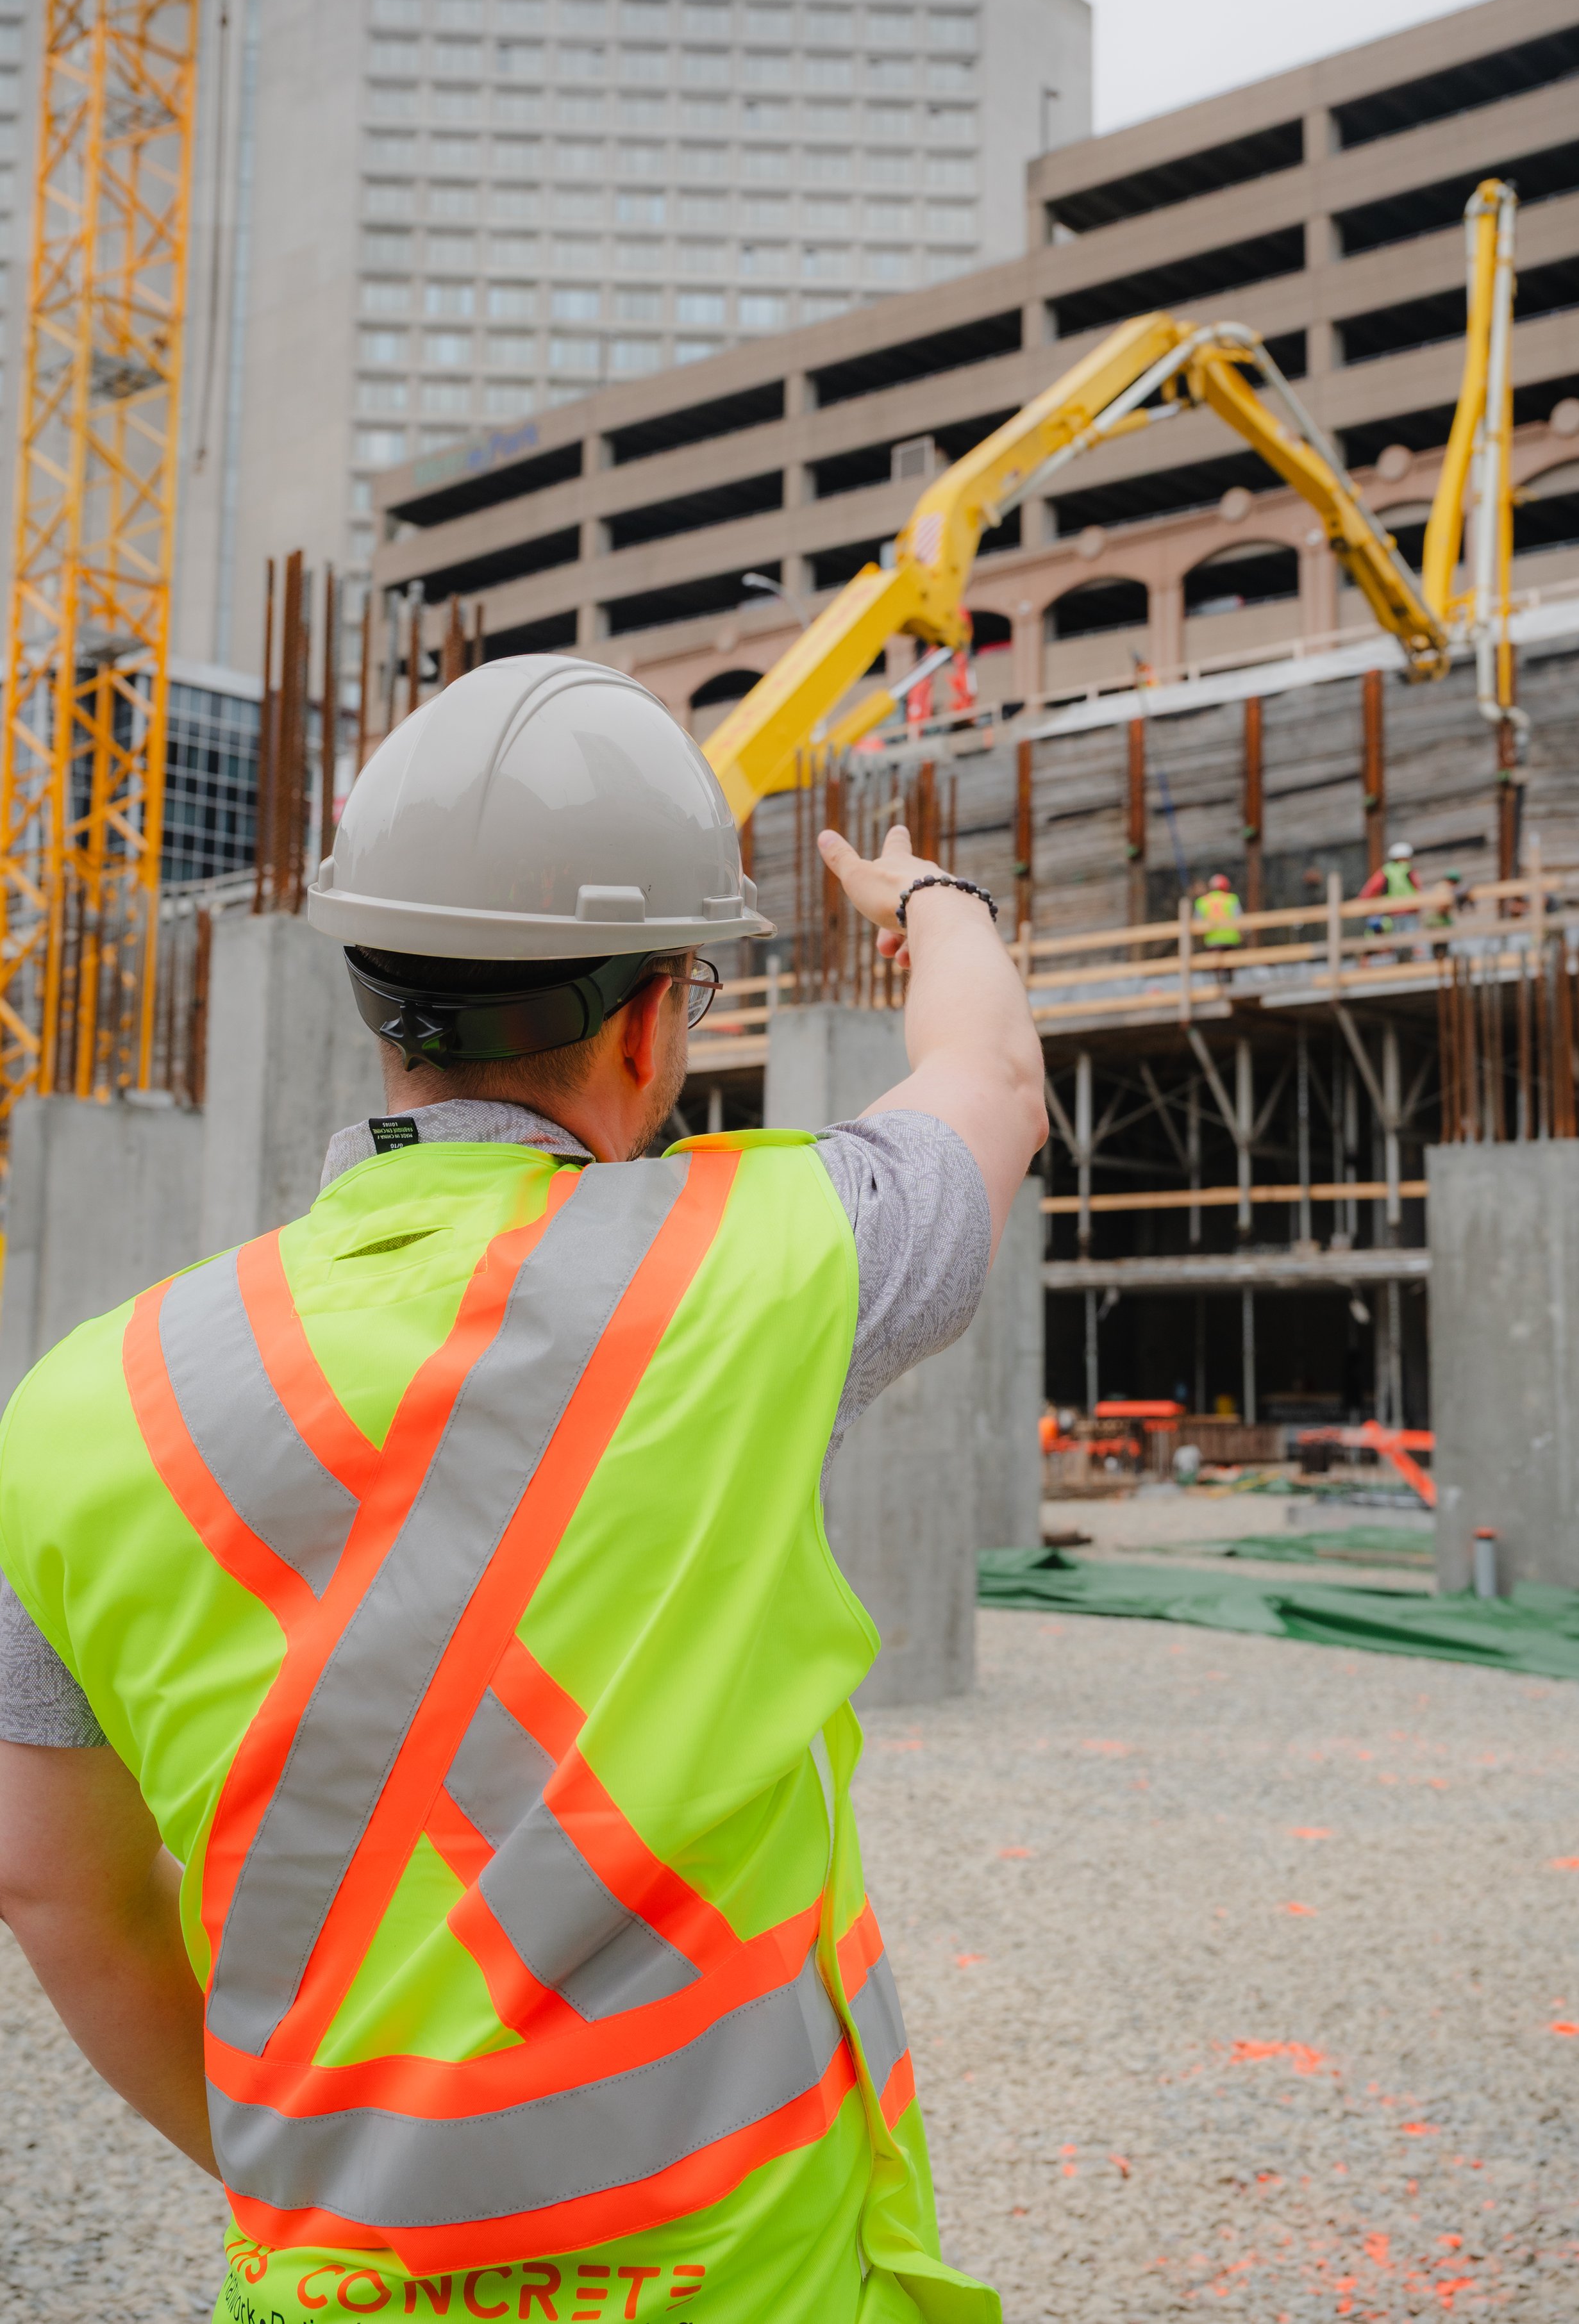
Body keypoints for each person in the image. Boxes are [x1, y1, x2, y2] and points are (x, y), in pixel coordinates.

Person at [0, 655, 1043, 2324]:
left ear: (373, 993)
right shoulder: (761, 1268)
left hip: (327, 2278)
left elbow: (55, 1884)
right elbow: (989, 1082)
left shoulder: (73, 1410)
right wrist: (933, 897)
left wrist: (317, 2174)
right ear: (648, 1023)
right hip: (750, 2282)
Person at [1360, 840, 1420, 944]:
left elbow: (1370, 889)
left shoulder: (1386, 871)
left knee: (1397, 941)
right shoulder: (1409, 870)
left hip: (1393, 911)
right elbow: (1418, 888)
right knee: (1411, 940)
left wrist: (1362, 902)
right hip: (1409, 911)